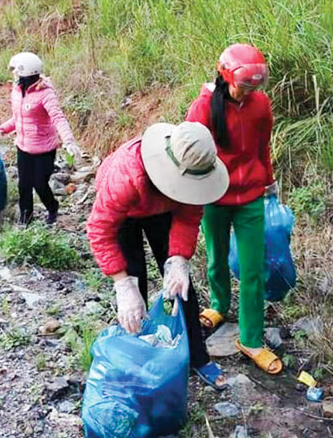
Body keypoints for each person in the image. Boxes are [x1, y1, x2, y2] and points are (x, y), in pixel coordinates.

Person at [86, 121, 230, 390]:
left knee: (181, 286)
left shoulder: (194, 172)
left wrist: (179, 259)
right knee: (134, 282)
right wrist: (121, 283)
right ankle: (138, 354)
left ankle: (197, 357)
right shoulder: (125, 177)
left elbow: (188, 217)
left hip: (162, 210)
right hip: (126, 214)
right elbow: (99, 229)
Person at [186, 43, 282, 375]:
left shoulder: (260, 105)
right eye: (243, 86)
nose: (248, 93)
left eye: (254, 87)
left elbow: (263, 146)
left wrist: (269, 182)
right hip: (214, 195)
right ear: (226, 76)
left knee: (253, 270)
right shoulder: (202, 108)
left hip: (251, 198)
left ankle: (251, 339)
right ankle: (218, 305)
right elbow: (189, 152)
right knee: (216, 256)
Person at [0, 52, 81, 226]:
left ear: (26, 72)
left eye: (16, 71)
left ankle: (52, 207)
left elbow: (58, 118)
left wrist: (68, 142)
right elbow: (18, 118)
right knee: (24, 186)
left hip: (44, 149)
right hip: (23, 146)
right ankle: (26, 220)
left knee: (40, 184)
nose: (14, 74)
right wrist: (1, 129)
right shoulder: (17, 91)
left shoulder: (45, 93)